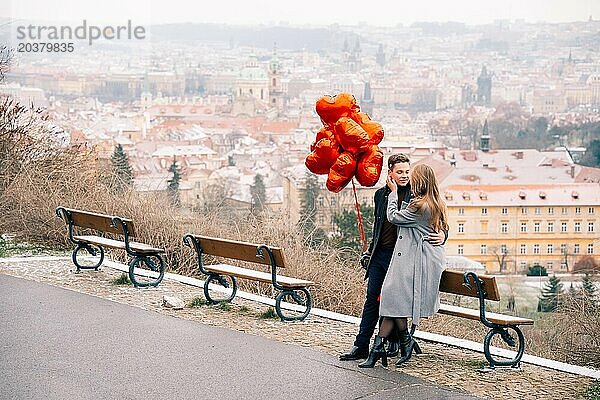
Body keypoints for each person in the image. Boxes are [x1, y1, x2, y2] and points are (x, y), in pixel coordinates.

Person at [339, 155, 446, 362]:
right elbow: (377, 228)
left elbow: (435, 222)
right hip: (382, 255)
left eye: (407, 171)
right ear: (390, 173)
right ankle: (362, 345)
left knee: (394, 301)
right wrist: (370, 253)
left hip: (403, 257)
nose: (405, 176)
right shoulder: (381, 195)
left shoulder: (415, 195)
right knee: (373, 300)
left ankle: (392, 343)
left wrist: (443, 236)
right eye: (400, 172)